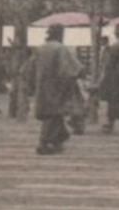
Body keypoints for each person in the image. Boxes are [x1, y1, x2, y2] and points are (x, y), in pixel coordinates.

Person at [34, 23, 83, 155]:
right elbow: (69, 69)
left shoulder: (41, 48)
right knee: (54, 114)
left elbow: (31, 68)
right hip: (57, 86)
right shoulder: (60, 49)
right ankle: (45, 142)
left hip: (43, 86)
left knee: (52, 114)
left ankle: (55, 141)